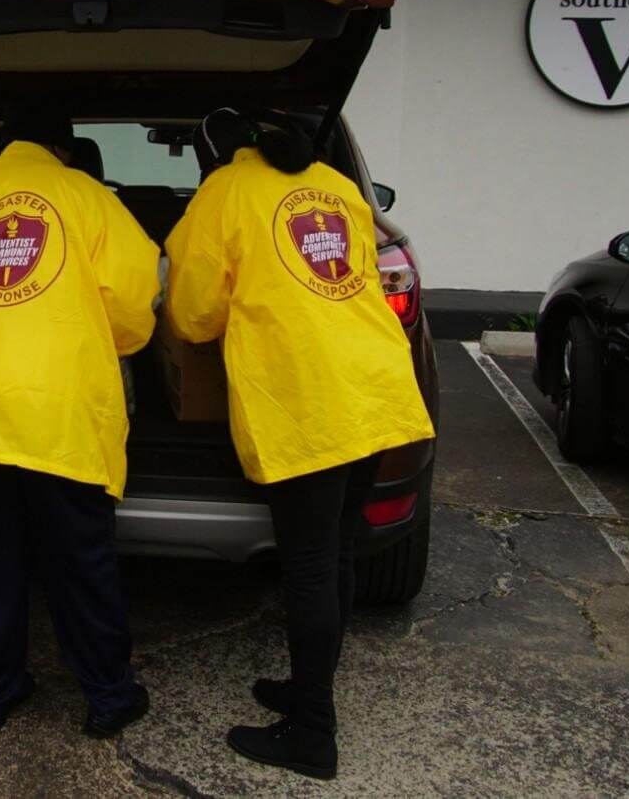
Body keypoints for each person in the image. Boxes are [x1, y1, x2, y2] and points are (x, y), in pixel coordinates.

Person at [164, 108, 434, 781]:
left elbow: (194, 313)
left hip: (307, 399)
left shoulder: (226, 190)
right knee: (337, 554)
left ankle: (312, 731)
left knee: (309, 566)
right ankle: (306, 689)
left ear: (218, 153)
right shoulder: (337, 186)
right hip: (373, 385)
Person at [0, 103, 160, 737]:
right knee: (80, 565)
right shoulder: (87, 198)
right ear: (66, 152)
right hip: (56, 414)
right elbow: (134, 310)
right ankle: (108, 697)